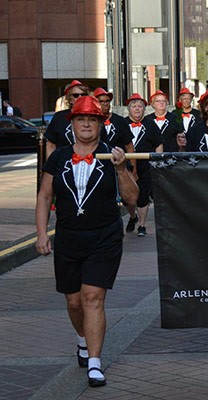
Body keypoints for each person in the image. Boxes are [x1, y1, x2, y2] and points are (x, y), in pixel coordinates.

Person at [35, 95, 139, 388]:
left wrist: (120, 168)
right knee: (74, 301)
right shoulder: (59, 157)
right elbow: (44, 196)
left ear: (100, 124)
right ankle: (82, 339)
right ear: (72, 124)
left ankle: (95, 362)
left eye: (91, 119)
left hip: (104, 236)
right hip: (68, 237)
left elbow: (133, 198)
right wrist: (42, 234)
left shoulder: (112, 154)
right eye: (80, 119)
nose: (85, 124)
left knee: (93, 296)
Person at [123, 93, 163, 237]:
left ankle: (142, 224)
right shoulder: (122, 123)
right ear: (129, 109)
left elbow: (158, 144)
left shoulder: (151, 124)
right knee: (126, 197)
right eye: (134, 106)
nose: (137, 109)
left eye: (140, 106)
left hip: (146, 165)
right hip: (126, 166)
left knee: (143, 194)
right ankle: (132, 217)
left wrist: (157, 162)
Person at [45, 80, 90, 158]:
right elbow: (51, 144)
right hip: (63, 164)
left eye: (83, 95)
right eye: (76, 95)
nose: (80, 97)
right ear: (70, 99)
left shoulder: (95, 117)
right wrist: (50, 166)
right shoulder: (59, 117)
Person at [92, 88, 133, 153]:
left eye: (107, 101)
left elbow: (129, 147)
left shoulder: (120, 121)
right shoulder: (91, 121)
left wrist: (132, 163)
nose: (105, 104)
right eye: (101, 101)